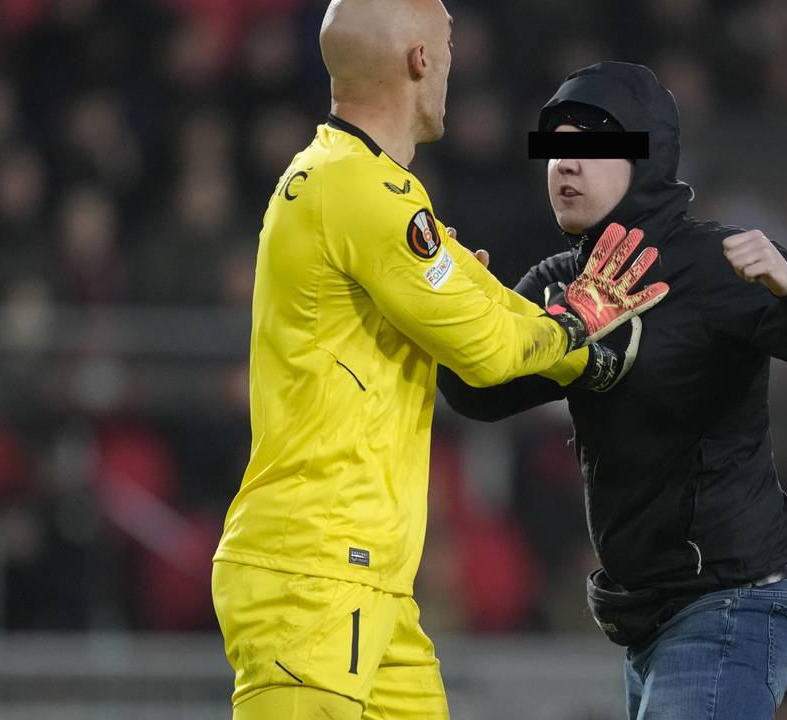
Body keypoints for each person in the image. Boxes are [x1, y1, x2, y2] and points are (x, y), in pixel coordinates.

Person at [210, 5, 668, 719]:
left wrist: (571, 346)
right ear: (420, 59)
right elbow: (486, 349)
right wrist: (581, 327)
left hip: (371, 583)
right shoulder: (366, 195)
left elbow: (488, 311)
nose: (455, 65)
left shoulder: (354, 186)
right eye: (450, 45)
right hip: (314, 575)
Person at [439, 61, 787, 719]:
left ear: (646, 156)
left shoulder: (713, 266)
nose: (564, 166)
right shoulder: (561, 283)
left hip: (736, 598)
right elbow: (476, 394)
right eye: (554, 149)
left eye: (589, 146)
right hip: (656, 617)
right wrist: (452, 304)